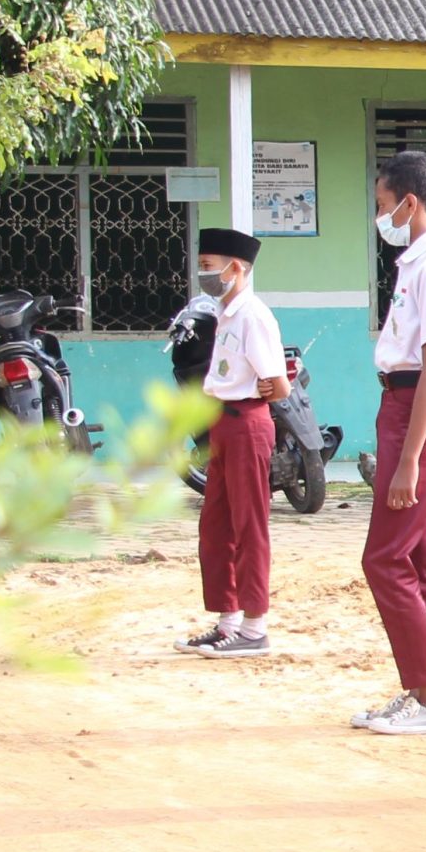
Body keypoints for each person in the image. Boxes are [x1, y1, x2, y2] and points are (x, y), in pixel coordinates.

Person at [354, 150, 426, 736]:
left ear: (409, 202)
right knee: (417, 556)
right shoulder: (413, 264)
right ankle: (425, 692)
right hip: (398, 406)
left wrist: (407, 462)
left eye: (383, 206)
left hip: (416, 412)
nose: (381, 217)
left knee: (384, 557)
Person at [175, 227, 287, 659]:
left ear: (235, 268)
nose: (204, 275)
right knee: (216, 525)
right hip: (222, 422)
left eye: (209, 267)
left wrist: (256, 392)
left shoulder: (253, 316)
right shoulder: (226, 312)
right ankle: (228, 622)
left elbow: (278, 385)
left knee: (248, 526)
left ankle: (255, 627)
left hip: (245, 424)